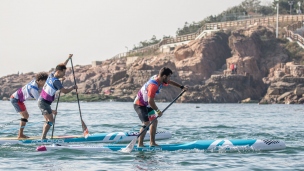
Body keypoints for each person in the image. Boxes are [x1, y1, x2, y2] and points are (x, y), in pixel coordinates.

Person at [133, 67, 188, 147]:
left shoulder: (160, 79)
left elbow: (170, 82)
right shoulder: (153, 85)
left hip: (148, 105)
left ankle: (152, 143)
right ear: (164, 76)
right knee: (146, 123)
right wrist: (158, 111)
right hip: (140, 104)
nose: (169, 79)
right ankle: (140, 144)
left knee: (154, 121)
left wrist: (181, 87)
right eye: (169, 76)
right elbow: (150, 101)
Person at [38, 54, 77, 139]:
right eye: (63, 72)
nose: (64, 74)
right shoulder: (56, 82)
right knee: (51, 121)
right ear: (59, 72)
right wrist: (73, 87)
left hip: (43, 102)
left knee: (48, 120)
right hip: (43, 102)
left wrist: (68, 58)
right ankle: (43, 138)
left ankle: (43, 137)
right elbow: (65, 91)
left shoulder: (52, 74)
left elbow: (62, 65)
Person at [10, 72, 48, 139]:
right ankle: (20, 135)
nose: (45, 84)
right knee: (25, 116)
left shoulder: (35, 81)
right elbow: (40, 101)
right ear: (40, 81)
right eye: (45, 82)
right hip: (15, 99)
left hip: (18, 100)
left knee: (26, 116)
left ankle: (20, 134)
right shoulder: (33, 89)